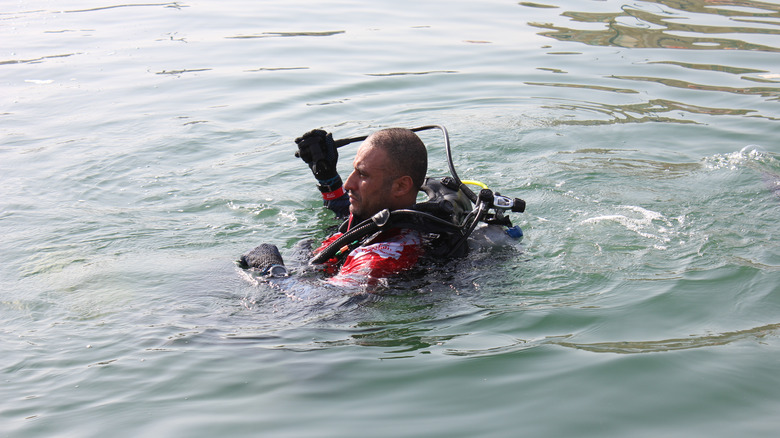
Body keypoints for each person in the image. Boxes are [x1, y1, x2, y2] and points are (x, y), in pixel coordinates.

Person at [294, 127, 429, 286]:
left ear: (401, 186)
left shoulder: (379, 259)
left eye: (363, 174)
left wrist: (270, 268)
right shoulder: (378, 219)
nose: (348, 184)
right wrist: (328, 180)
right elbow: (350, 220)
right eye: (354, 170)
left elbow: (310, 304)